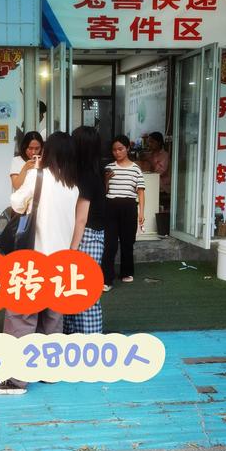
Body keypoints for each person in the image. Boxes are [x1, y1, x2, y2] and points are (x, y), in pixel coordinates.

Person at [0, 131, 79, 395]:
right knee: (52, 320)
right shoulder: (73, 186)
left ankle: (15, 380)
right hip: (59, 264)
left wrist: (31, 172)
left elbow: (16, 203)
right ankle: (49, 371)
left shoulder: (39, 176)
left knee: (21, 319)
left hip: (33, 261)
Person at [63, 126, 106, 334]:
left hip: (85, 238)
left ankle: (89, 339)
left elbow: (81, 218)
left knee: (83, 291)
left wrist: (71, 249)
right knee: (79, 290)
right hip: (92, 236)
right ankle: (81, 336)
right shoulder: (93, 173)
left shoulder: (85, 177)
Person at [101, 134, 145, 292]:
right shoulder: (109, 168)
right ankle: (107, 278)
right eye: (114, 150)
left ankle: (127, 272)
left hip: (129, 206)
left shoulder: (135, 168)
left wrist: (141, 212)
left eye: (120, 149)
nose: (117, 152)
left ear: (128, 148)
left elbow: (140, 192)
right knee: (110, 243)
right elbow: (104, 191)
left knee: (128, 241)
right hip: (111, 206)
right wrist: (106, 180)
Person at [143, 131, 170, 205]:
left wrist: (150, 161)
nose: (149, 144)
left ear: (159, 143)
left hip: (162, 188)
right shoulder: (150, 154)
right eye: (149, 142)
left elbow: (160, 172)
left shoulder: (165, 155)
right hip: (152, 185)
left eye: (152, 142)